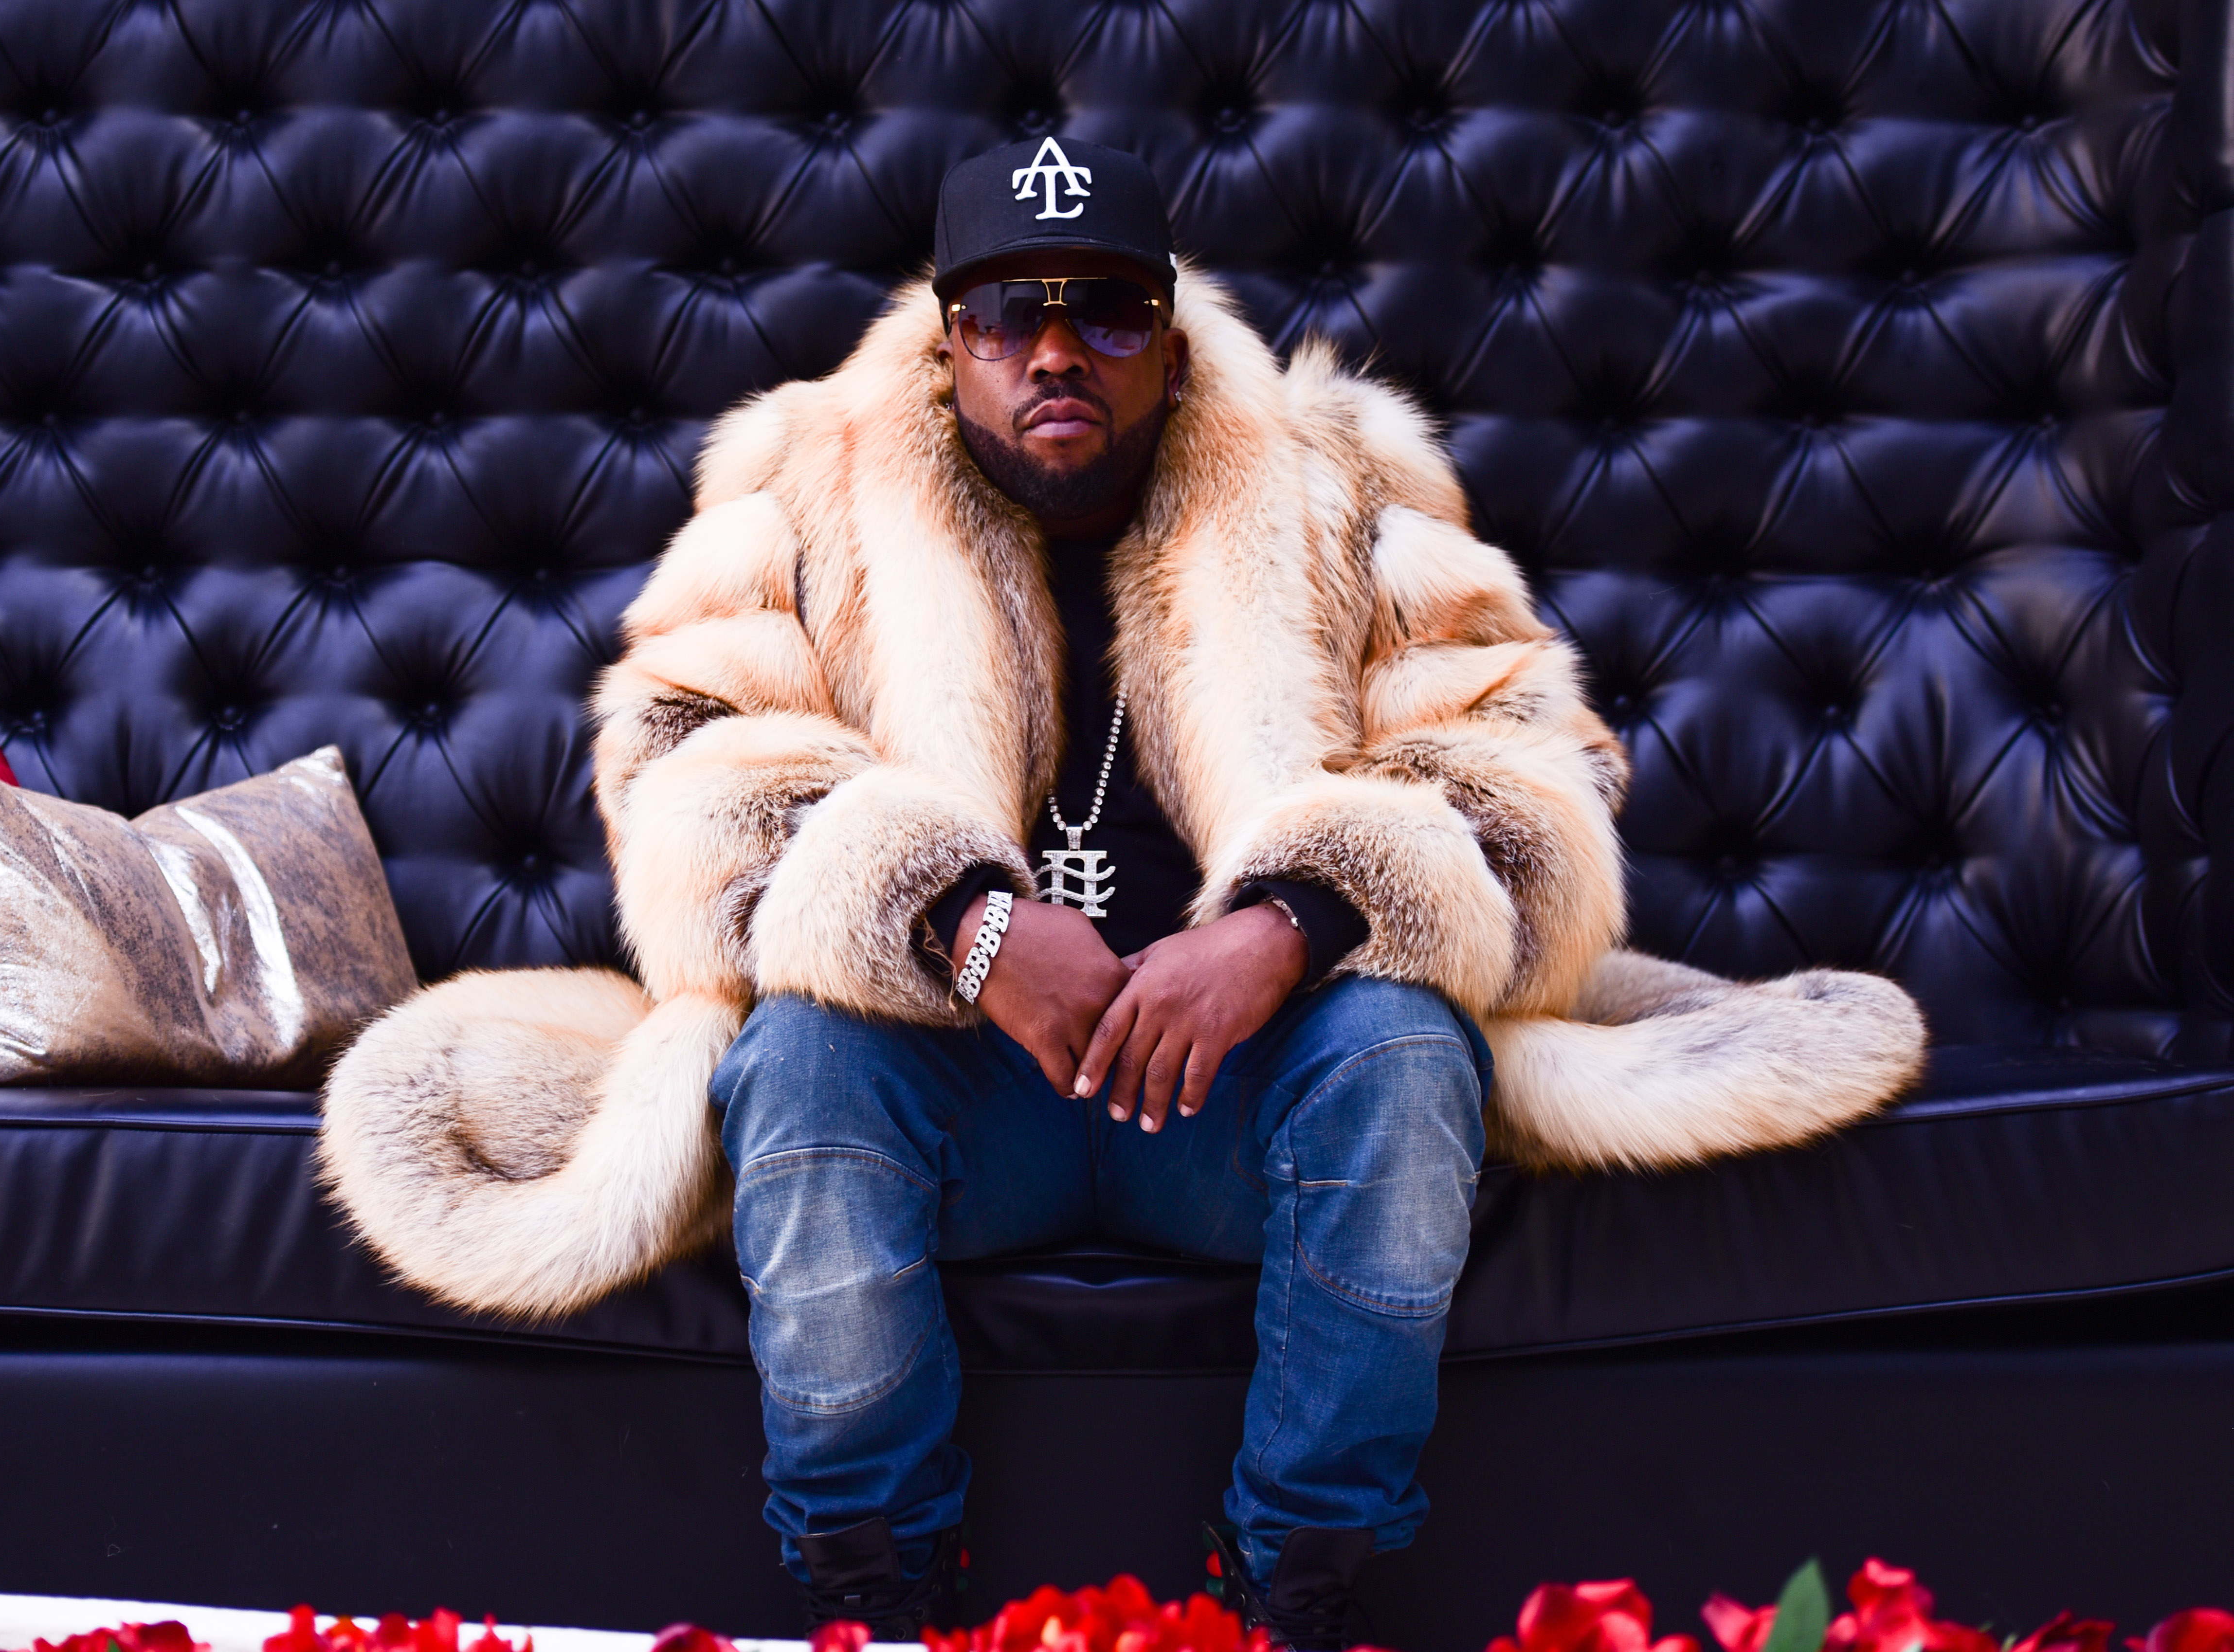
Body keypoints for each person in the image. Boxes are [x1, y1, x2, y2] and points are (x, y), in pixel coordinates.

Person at [321, 140, 1925, 1650]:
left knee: (1403, 1054)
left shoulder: (1334, 479)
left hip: (1244, 1094)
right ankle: (878, 1590)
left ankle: (1293, 1585)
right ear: (949, 343)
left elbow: (1527, 766)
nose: (1056, 351)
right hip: (959, 1092)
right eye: (1008, 313)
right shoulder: (807, 486)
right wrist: (957, 921)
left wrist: (1291, 921)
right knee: (799, 1059)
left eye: (1104, 311)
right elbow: (678, 773)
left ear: (1166, 334)